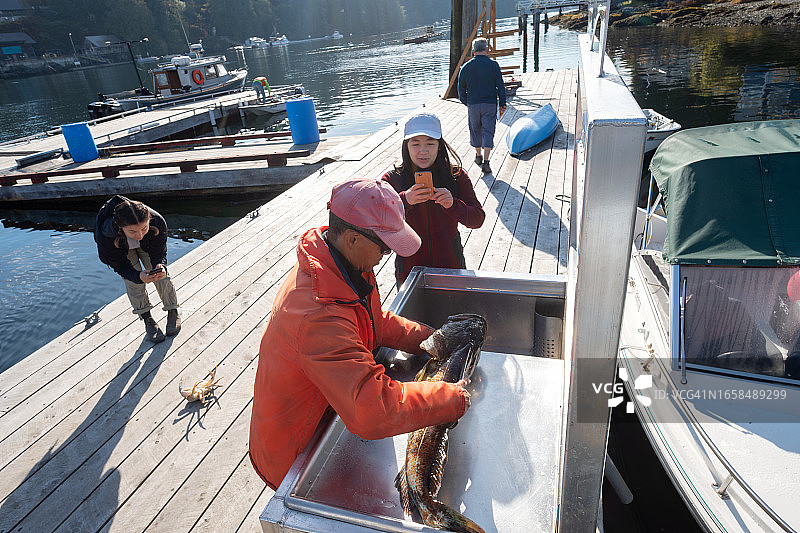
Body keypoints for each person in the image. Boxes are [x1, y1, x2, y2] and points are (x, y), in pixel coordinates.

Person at [248, 178, 471, 490]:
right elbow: (372, 411)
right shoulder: (317, 315)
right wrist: (454, 398)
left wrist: (432, 340)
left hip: (328, 409)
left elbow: (373, 321)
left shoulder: (341, 266)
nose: (385, 255)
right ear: (352, 239)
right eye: (383, 246)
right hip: (296, 455)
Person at [383, 113, 485, 285]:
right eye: (415, 143)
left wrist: (453, 205)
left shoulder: (456, 176)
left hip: (451, 267)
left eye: (430, 143)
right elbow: (379, 220)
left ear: (439, 146)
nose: (423, 150)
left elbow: (477, 219)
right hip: (409, 270)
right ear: (406, 146)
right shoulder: (392, 179)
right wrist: (404, 201)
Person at [94, 195, 180, 343]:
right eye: (133, 231)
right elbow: (120, 266)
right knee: (133, 282)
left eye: (144, 228)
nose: (139, 235)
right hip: (121, 248)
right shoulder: (106, 234)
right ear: (120, 227)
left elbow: (159, 251)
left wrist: (160, 263)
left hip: (148, 245)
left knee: (161, 274)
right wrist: (137, 275)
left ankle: (173, 310)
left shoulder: (157, 222)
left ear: (149, 221)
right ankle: (148, 319)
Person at [457, 37, 507, 174]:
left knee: (475, 129)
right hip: (490, 104)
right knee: (488, 131)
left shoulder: (465, 67)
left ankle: (477, 155)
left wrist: (467, 103)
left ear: (473, 51)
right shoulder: (494, 65)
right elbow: (500, 86)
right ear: (487, 49)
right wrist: (502, 102)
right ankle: (486, 161)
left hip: (473, 104)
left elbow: (460, 90)